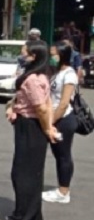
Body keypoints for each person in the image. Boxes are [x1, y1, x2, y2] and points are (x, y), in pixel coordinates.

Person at [0, 41, 57, 220]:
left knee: (23, 174)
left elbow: (42, 107)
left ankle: (22, 219)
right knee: (31, 173)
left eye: (24, 53)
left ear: (34, 56)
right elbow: (45, 104)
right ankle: (31, 216)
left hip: (31, 126)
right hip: (30, 125)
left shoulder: (33, 79)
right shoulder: (40, 76)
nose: (21, 56)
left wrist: (48, 128)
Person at [44, 42, 79, 204]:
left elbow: (64, 103)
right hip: (54, 117)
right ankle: (60, 189)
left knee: (64, 155)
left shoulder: (69, 74)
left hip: (63, 119)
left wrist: (50, 122)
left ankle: (64, 191)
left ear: (62, 55)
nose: (51, 57)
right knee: (58, 155)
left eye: (53, 54)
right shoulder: (56, 72)